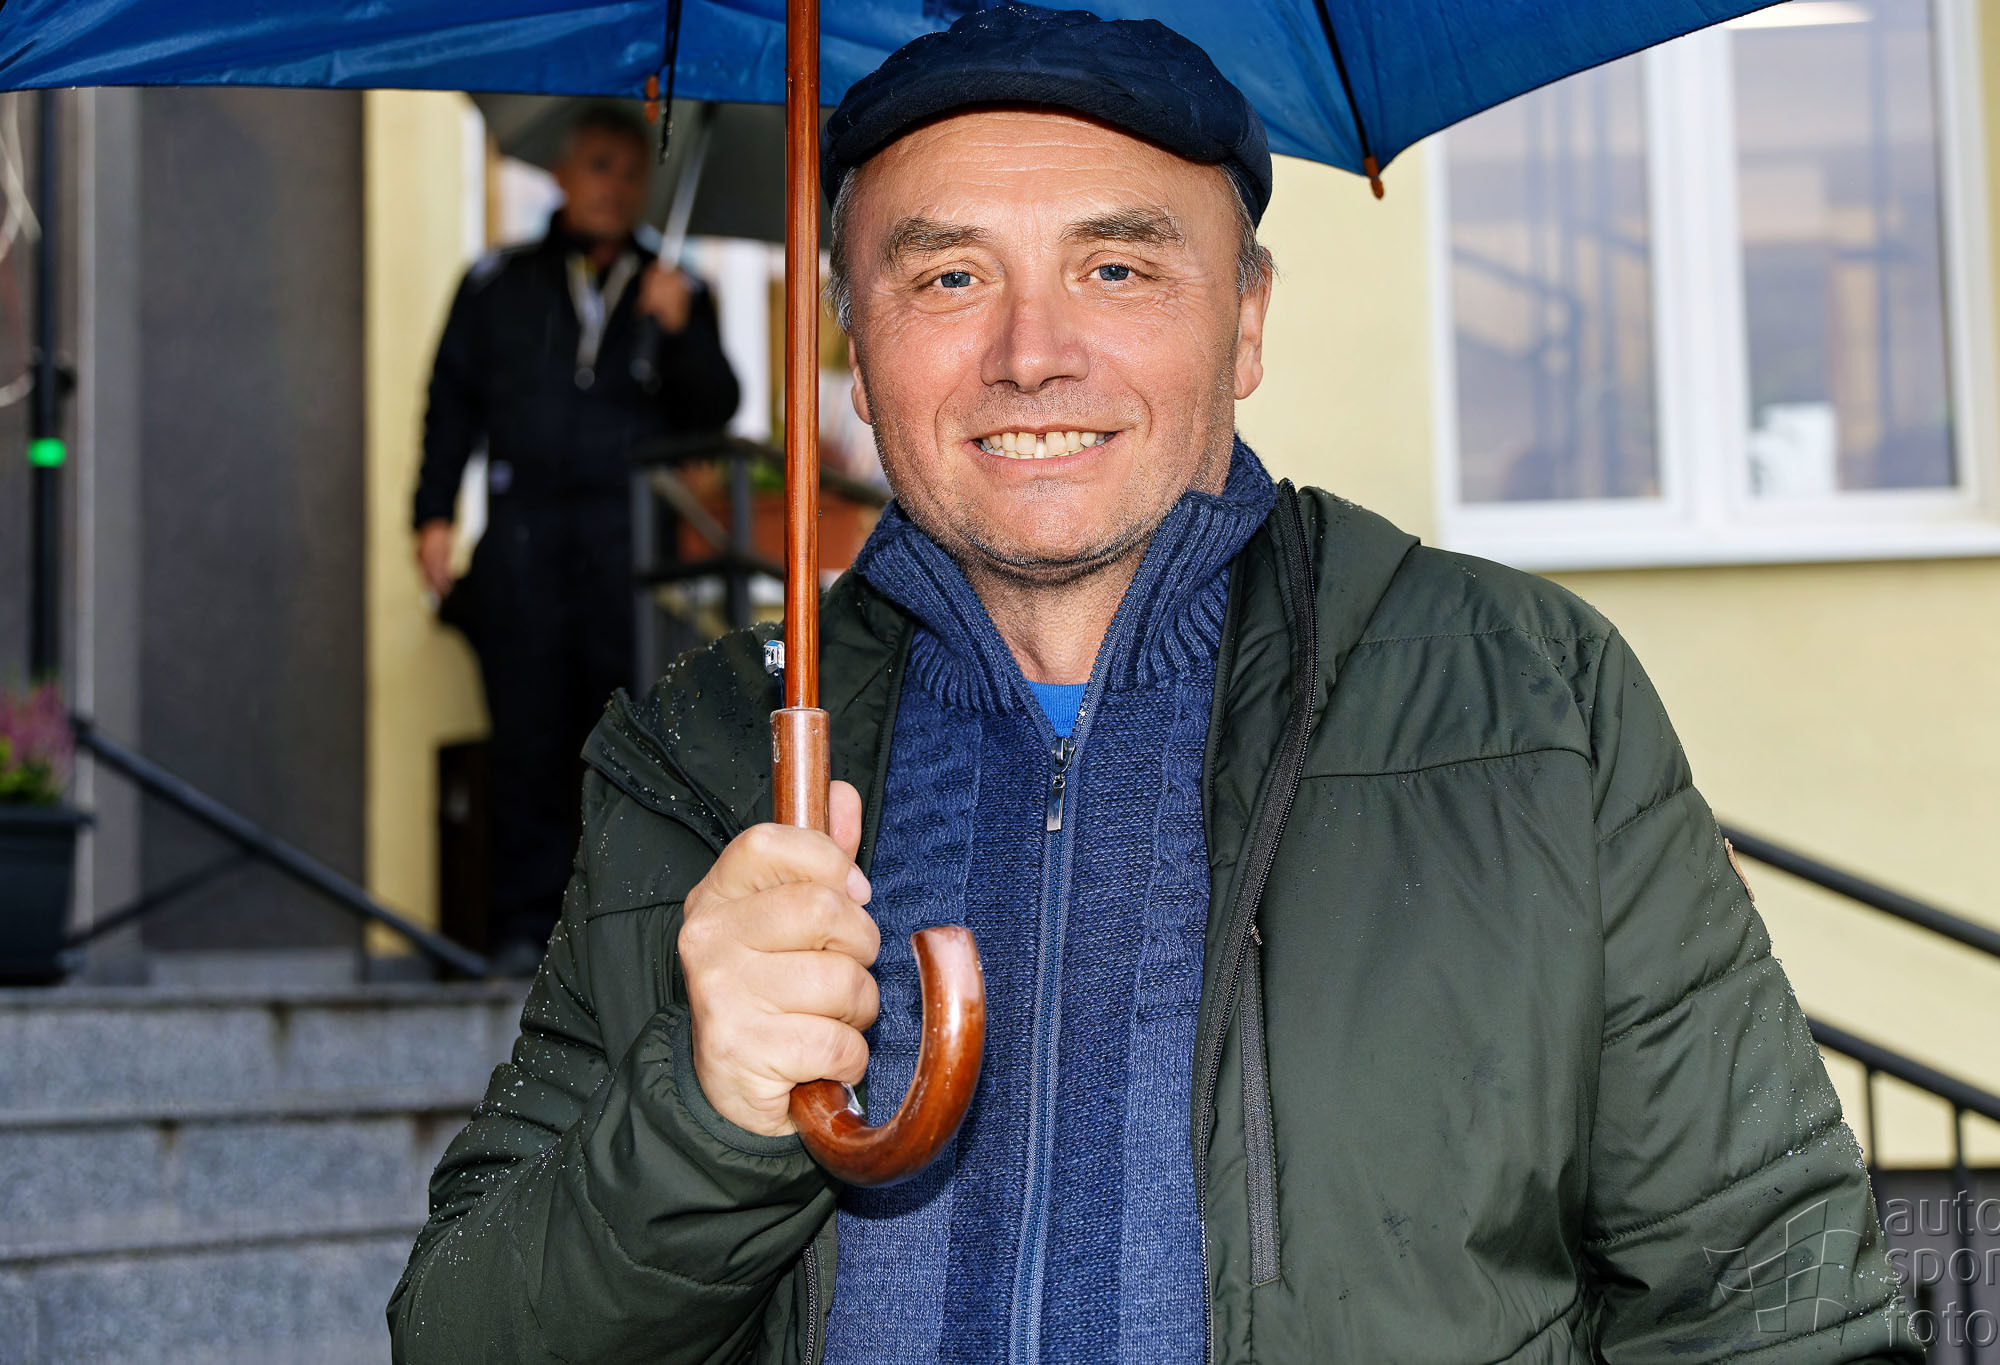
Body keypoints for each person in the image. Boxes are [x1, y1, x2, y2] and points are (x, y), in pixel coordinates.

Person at [390, 9, 1915, 1361]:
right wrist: (704, 1111)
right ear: (853, 336)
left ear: (1246, 319)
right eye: (949, 275)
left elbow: (1777, 1315)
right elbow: (460, 1332)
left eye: (1116, 267)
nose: (1031, 353)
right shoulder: (706, 756)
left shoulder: (1532, 707)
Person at [412, 104, 741, 969]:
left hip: (626, 548)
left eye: (630, 171)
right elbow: (451, 402)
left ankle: (617, 943)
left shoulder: (676, 285)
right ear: (561, 175)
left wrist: (680, 331)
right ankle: (524, 932)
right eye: (599, 165)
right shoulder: (498, 282)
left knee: (625, 741)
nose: (615, 186)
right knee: (525, 737)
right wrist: (432, 514)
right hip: (524, 541)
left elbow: (716, 408)